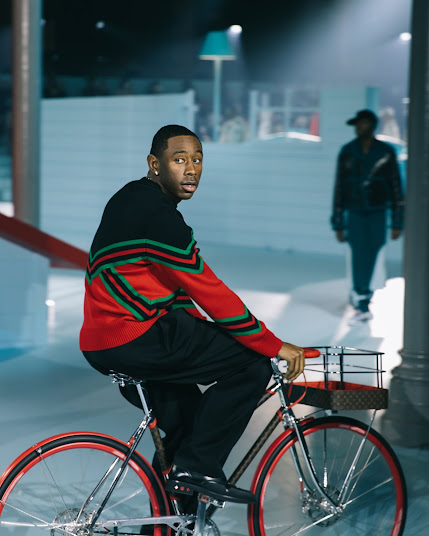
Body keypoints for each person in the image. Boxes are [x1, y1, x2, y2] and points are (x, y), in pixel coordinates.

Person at [80, 125, 305, 506]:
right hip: (137, 335)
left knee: (189, 430)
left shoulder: (129, 199)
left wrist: (210, 330)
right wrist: (272, 344)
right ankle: (199, 468)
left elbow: (174, 290)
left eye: (197, 160)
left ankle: (170, 523)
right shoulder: (159, 216)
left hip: (102, 342)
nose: (191, 169)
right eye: (179, 159)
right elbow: (208, 290)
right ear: (155, 164)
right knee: (251, 363)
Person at [331, 110, 404, 324]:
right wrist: (338, 222)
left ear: (371, 125)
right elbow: (339, 187)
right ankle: (361, 301)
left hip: (378, 211)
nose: (358, 127)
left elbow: (396, 187)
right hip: (355, 211)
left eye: (362, 123)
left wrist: (397, 221)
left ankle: (365, 298)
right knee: (357, 255)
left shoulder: (385, 152)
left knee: (375, 254)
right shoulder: (347, 151)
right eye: (357, 124)